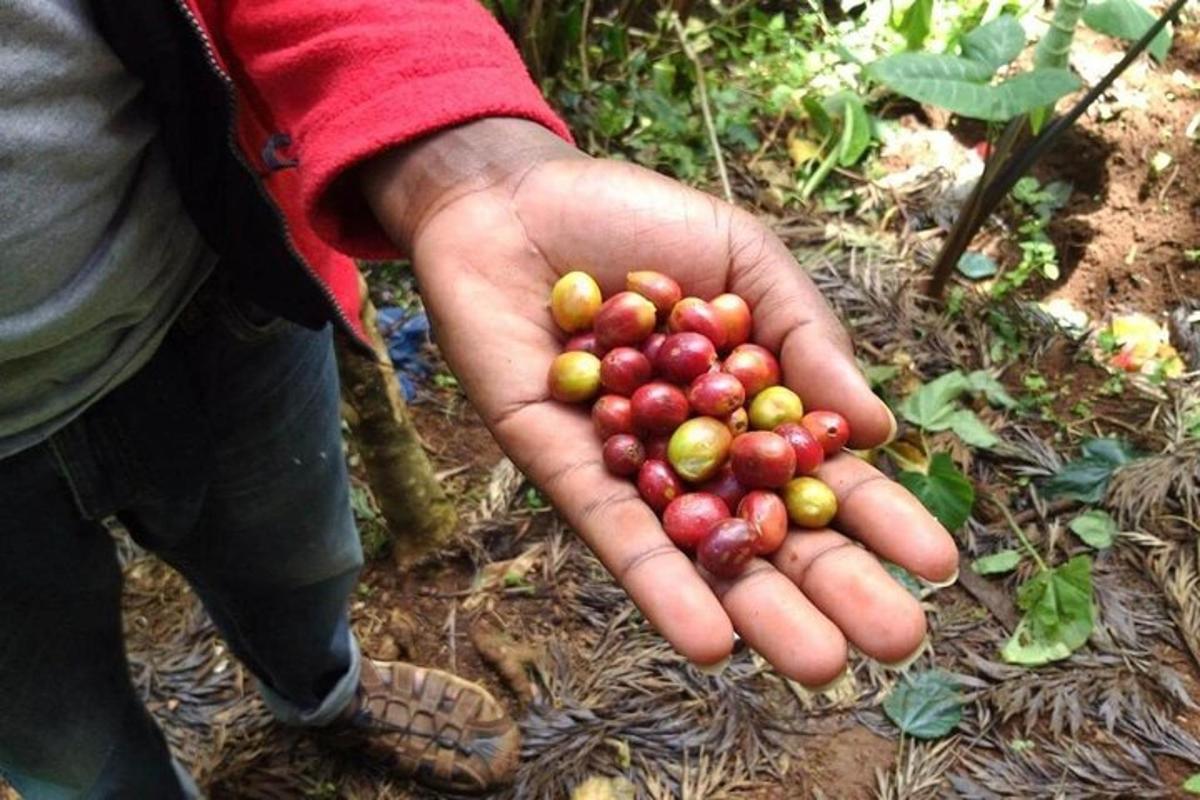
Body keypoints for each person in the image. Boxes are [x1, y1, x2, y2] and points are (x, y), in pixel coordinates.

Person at [0, 0, 959, 796]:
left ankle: (323, 690)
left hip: (213, 284)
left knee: (299, 559)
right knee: (55, 732)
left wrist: (455, 145)